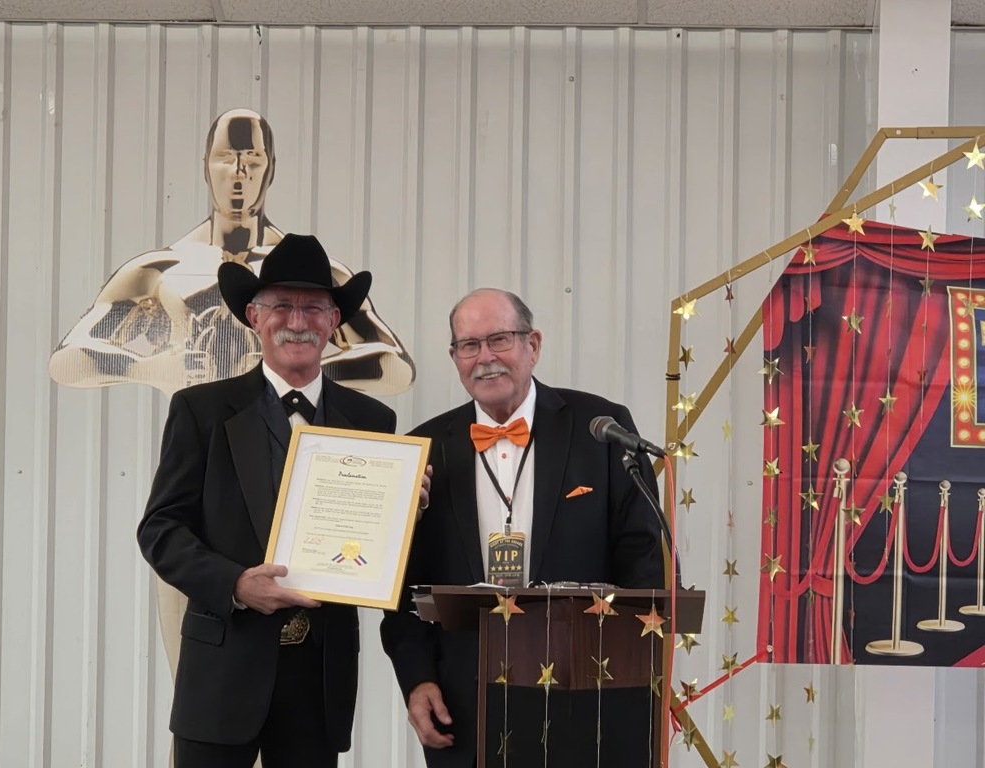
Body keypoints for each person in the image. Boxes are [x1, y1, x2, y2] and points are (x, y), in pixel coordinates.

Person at [137, 234, 422, 767]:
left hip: (319, 678)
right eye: (282, 306)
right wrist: (235, 584)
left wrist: (406, 512)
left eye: (314, 306)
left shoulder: (372, 421)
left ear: (333, 320)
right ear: (253, 316)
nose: (299, 320)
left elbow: (374, 544)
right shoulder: (200, 410)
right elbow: (161, 530)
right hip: (222, 673)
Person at [380, 288, 666, 768]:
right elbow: (401, 584)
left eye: (499, 339)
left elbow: (643, 555)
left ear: (533, 344)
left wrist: (637, 681)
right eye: (469, 345)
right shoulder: (422, 447)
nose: (485, 357)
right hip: (463, 698)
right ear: (454, 357)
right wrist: (416, 678)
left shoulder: (602, 426)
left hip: (590, 689)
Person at [49, 107, 415, 398]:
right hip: (196, 451)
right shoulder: (159, 271)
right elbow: (66, 361)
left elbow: (396, 367)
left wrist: (305, 364)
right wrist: (155, 368)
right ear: (206, 167)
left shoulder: (318, 275)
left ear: (270, 169)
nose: (238, 171)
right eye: (225, 157)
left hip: (285, 443)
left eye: (253, 159)